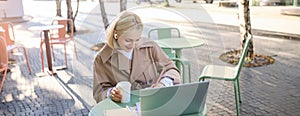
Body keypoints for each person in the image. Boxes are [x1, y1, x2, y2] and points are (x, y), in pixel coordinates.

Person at [93, 11, 181, 103]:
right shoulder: (102, 59)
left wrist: (162, 84)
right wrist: (111, 93)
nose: (133, 45)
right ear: (116, 34)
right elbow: (99, 92)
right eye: (128, 40)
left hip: (154, 103)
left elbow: (171, 69)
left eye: (137, 39)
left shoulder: (150, 47)